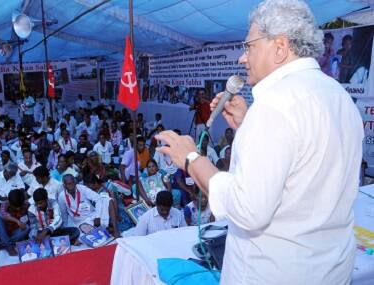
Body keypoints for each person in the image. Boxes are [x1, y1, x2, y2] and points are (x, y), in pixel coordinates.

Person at [155, 0, 364, 284]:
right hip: (329, 270)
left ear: (279, 47)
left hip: (274, 273)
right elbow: (305, 161)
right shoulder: (338, 96)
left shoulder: (275, 105)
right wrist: (249, 123)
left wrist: (192, 159)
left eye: (249, 46)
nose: (243, 58)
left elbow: (248, 209)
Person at [0, 189, 29, 256]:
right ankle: (9, 247)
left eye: (19, 206)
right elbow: (3, 214)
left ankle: (3, 245)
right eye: (15, 207)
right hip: (2, 233)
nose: (18, 208)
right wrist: (17, 221)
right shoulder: (5, 204)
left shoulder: (25, 204)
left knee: (27, 227)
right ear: (10, 202)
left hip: (15, 233)